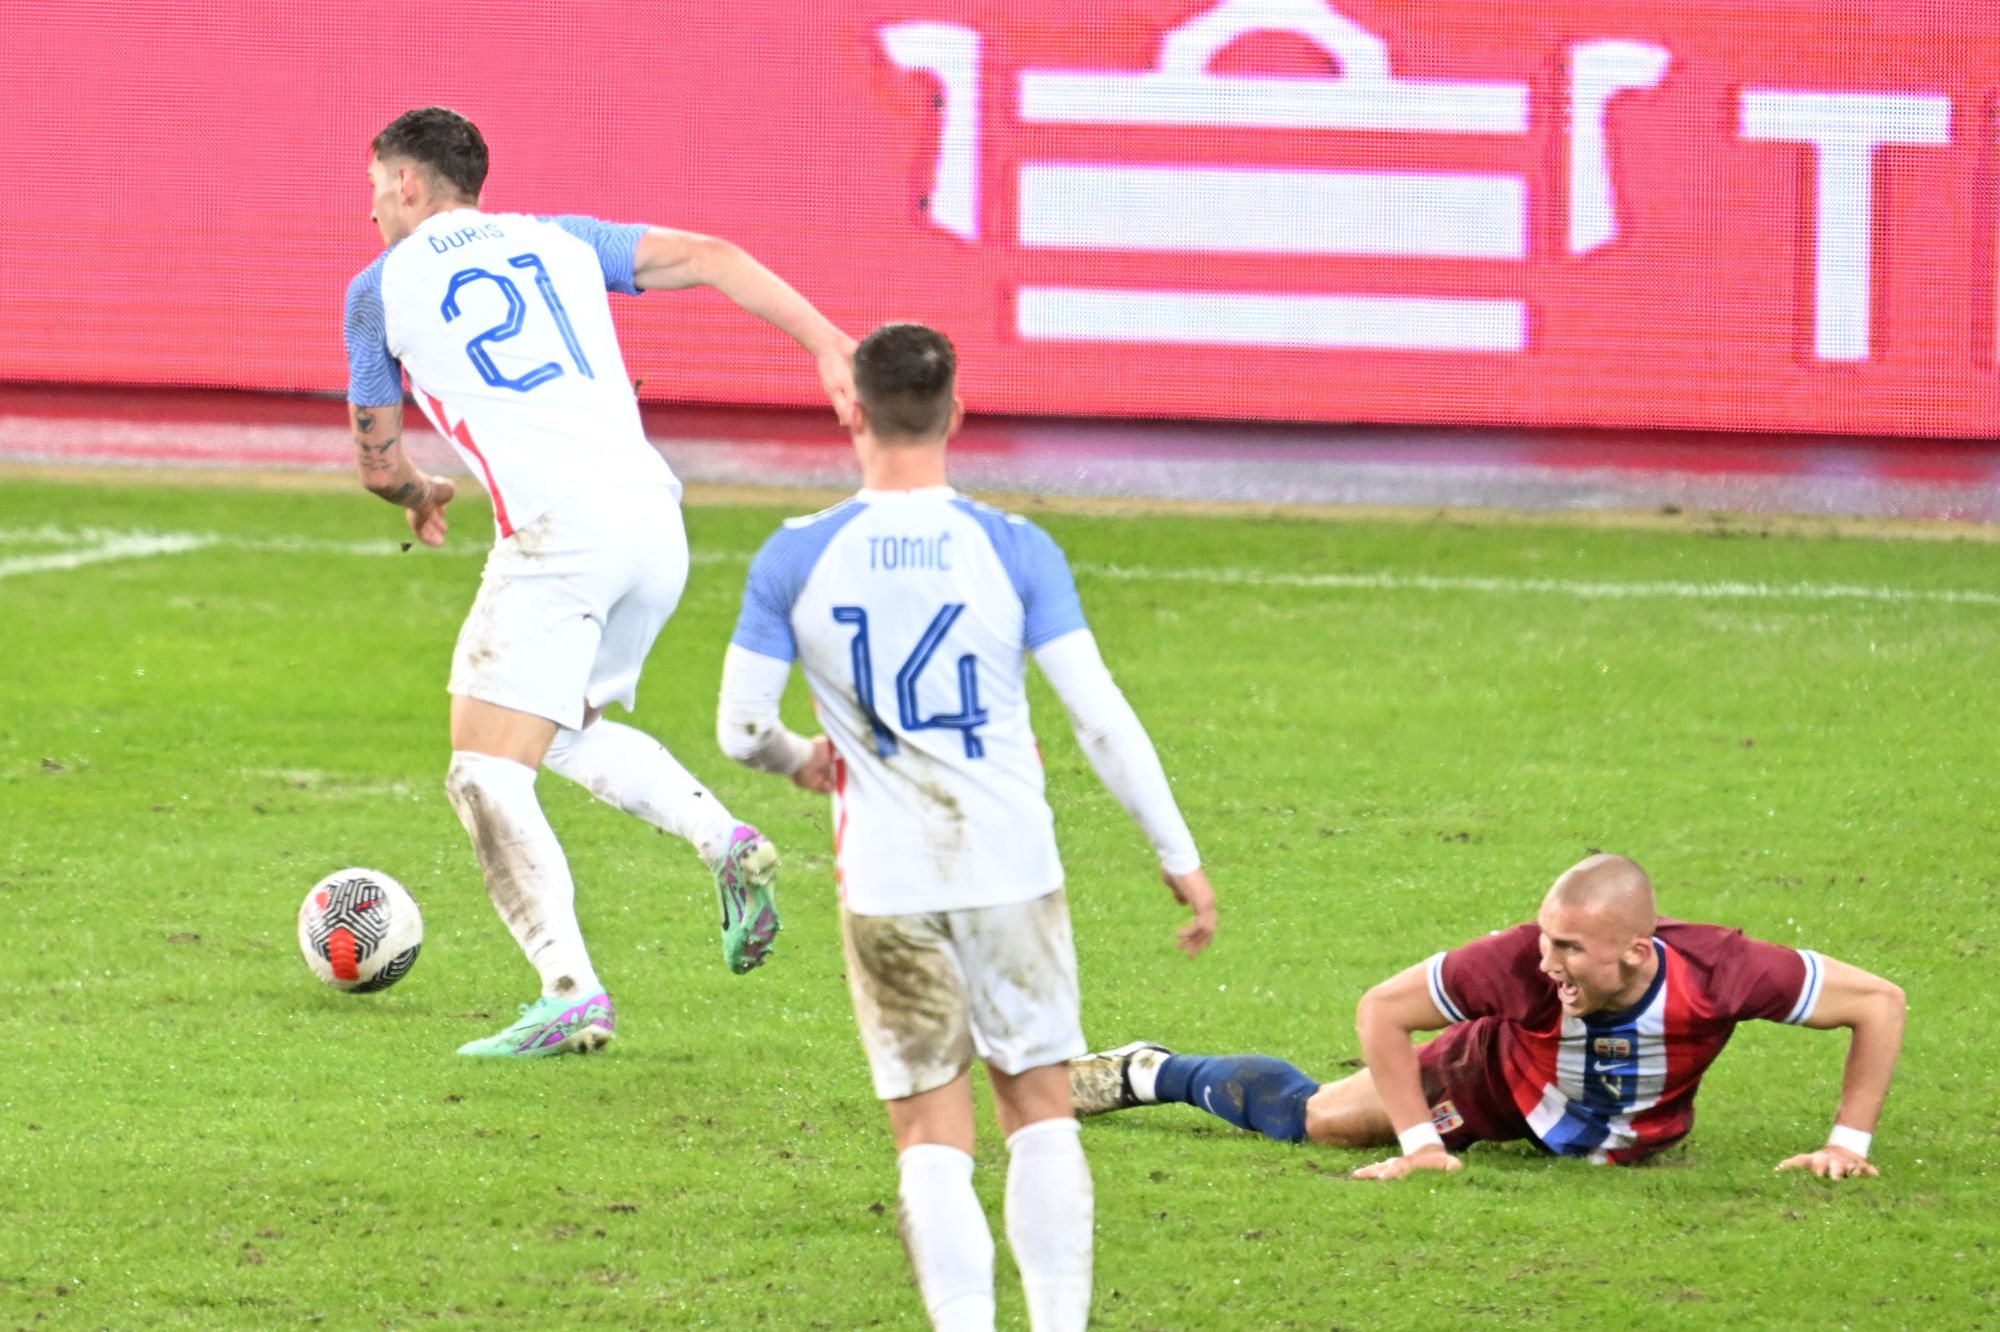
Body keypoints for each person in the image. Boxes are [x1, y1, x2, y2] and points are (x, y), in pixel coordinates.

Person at [715, 323, 1218, 1332]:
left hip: (888, 885)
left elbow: (738, 728)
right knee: (1038, 1109)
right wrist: (1176, 855)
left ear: (848, 411)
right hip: (1008, 868)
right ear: (956, 412)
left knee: (928, 1137)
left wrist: (800, 759)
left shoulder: (796, 555)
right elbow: (1097, 716)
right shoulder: (1013, 547)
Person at [341, 106, 857, 1057]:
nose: (371, 208)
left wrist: (422, 490)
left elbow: (378, 466)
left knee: (483, 770)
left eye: (374, 186)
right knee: (566, 730)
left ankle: (568, 988)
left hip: (558, 532)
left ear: (407, 183)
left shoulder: (376, 291)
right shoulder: (560, 241)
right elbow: (713, 254)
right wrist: (829, 344)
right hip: (654, 520)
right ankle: (723, 842)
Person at [1072, 853, 1904, 1181]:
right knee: (1321, 1121)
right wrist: (1421, 1146)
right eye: (1547, 939)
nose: (1548, 962)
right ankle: (1154, 1071)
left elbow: (1879, 1002)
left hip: (1621, 1131)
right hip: (1495, 1085)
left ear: (1638, 952)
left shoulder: (1724, 971)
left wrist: (1846, 1146)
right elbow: (1382, 1010)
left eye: (1572, 950)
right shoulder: (1515, 963)